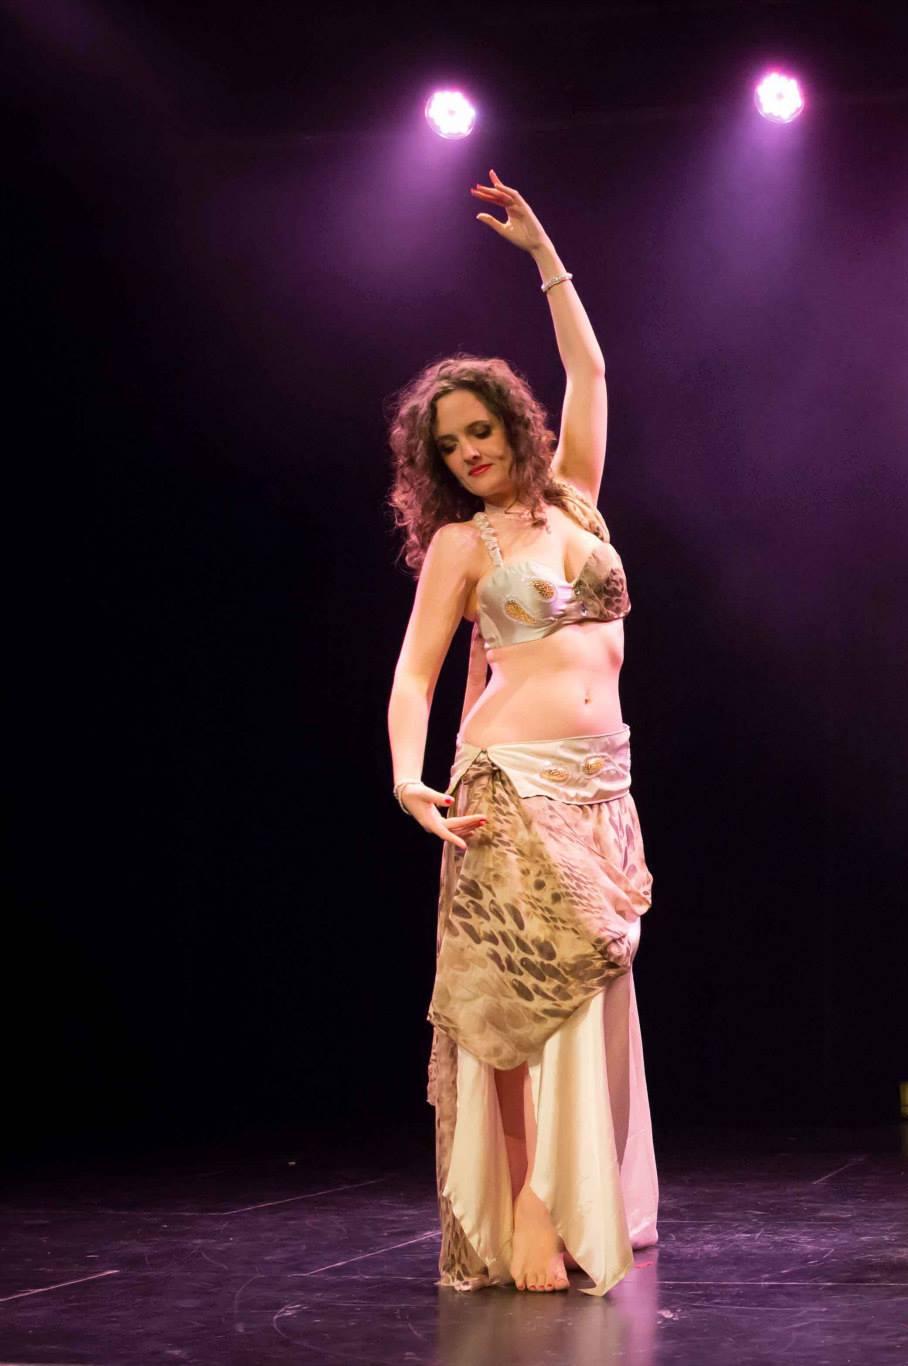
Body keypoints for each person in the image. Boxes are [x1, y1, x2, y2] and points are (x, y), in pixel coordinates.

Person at [385, 172, 654, 1294]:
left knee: (587, 990)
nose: (469, 453)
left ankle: (569, 1192)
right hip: (508, 779)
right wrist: (407, 777)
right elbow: (416, 672)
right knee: (515, 996)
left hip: (602, 785)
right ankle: (532, 1205)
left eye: (480, 430)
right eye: (449, 446)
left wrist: (545, 254)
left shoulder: (577, 505)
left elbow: (592, 372)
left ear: (511, 423)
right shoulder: (464, 548)